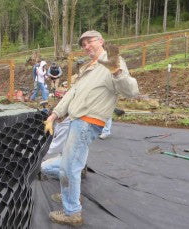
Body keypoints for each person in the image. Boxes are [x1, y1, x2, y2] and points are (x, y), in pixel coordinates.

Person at [43, 30, 139, 226]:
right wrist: (54, 115)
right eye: (83, 44)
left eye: (90, 42)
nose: (87, 46)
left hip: (88, 121)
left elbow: (131, 91)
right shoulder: (88, 68)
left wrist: (117, 71)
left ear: (101, 41)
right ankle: (72, 190)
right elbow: (72, 94)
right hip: (77, 121)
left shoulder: (113, 62)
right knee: (57, 166)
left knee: (69, 167)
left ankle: (72, 212)